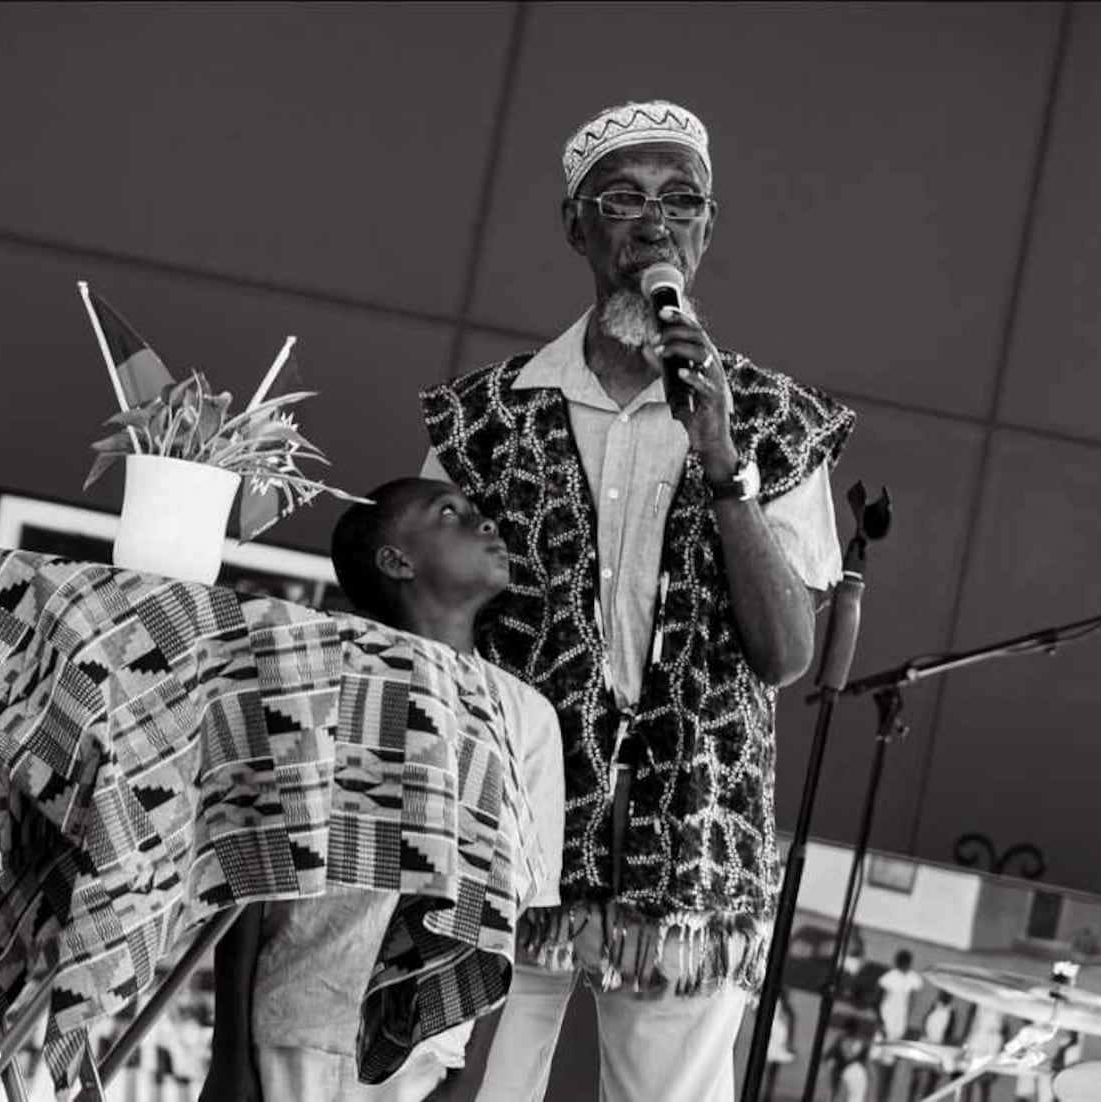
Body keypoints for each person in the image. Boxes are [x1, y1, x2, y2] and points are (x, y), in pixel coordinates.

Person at [419, 99, 856, 1102]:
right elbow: (424, 624)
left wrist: (721, 458)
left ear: (706, 231)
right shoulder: (480, 421)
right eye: (624, 198)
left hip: (692, 843)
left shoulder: (770, 421)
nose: (656, 222)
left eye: (682, 201)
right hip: (504, 832)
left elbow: (786, 653)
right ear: (578, 226)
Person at [201, 478, 565, 1102]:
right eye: (449, 513)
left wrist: (468, 1075)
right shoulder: (326, 669)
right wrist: (228, 1054)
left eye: (478, 512)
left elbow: (505, 910)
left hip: (427, 1051)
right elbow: (252, 876)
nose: (485, 523)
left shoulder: (527, 717)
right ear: (396, 561)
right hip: (301, 1014)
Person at [874, 951, 925, 1101]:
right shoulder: (889, 977)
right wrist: (880, 1022)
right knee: (878, 1061)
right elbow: (877, 1000)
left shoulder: (913, 978)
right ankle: (878, 1096)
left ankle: (883, 1097)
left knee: (891, 1064)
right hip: (886, 1020)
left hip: (899, 1024)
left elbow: (913, 1000)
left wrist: (908, 1021)